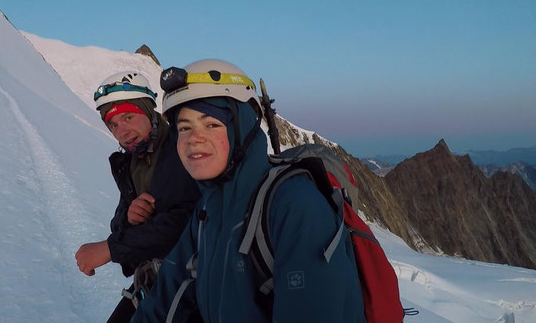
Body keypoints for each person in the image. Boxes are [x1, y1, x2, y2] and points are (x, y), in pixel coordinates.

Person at [131, 59, 366, 322]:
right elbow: (168, 297)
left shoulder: (295, 206)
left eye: (212, 124)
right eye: (184, 127)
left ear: (241, 128)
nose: (193, 138)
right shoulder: (207, 210)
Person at [74, 71, 201, 323]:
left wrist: (110, 249)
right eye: (113, 124)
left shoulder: (182, 148)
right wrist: (131, 218)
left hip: (196, 282)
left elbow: (183, 223)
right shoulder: (132, 161)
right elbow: (118, 221)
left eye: (128, 117)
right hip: (157, 278)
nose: (122, 131)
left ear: (148, 111)